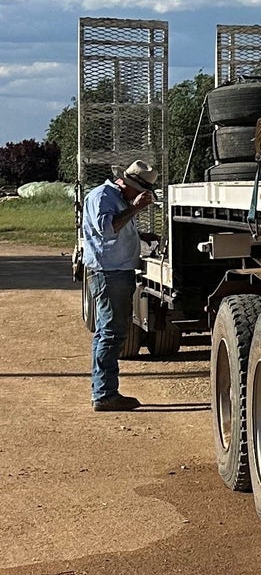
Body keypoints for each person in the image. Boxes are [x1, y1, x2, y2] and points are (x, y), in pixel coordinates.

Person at [81, 160, 155, 413]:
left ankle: (103, 391)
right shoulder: (103, 196)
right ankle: (105, 394)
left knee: (107, 332)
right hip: (108, 272)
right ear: (126, 183)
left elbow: (116, 229)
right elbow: (106, 229)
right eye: (138, 191)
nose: (140, 196)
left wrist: (140, 236)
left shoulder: (114, 197)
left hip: (114, 271)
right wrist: (134, 209)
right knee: (112, 333)